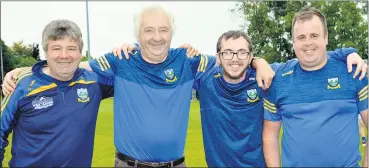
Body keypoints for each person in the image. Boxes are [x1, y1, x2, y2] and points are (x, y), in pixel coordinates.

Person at [112, 31, 363, 167]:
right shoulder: (205, 78)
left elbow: (308, 58)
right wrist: (135, 46)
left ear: (251, 55)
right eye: (228, 52)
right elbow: (164, 59)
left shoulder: (266, 76)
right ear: (218, 56)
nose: (235, 58)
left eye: (242, 52)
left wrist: (347, 53)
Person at [263, 6, 368, 167]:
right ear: (293, 41)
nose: (308, 43)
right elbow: (270, 136)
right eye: (301, 37)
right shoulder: (278, 79)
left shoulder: (353, 72)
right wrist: (256, 61)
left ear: (326, 37)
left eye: (314, 35)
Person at [0, 20, 114, 167]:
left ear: (80, 53)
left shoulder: (94, 82)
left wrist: (132, 48)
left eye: (71, 48)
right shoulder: (21, 84)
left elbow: (136, 72)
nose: (64, 55)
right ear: (46, 52)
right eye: (56, 48)